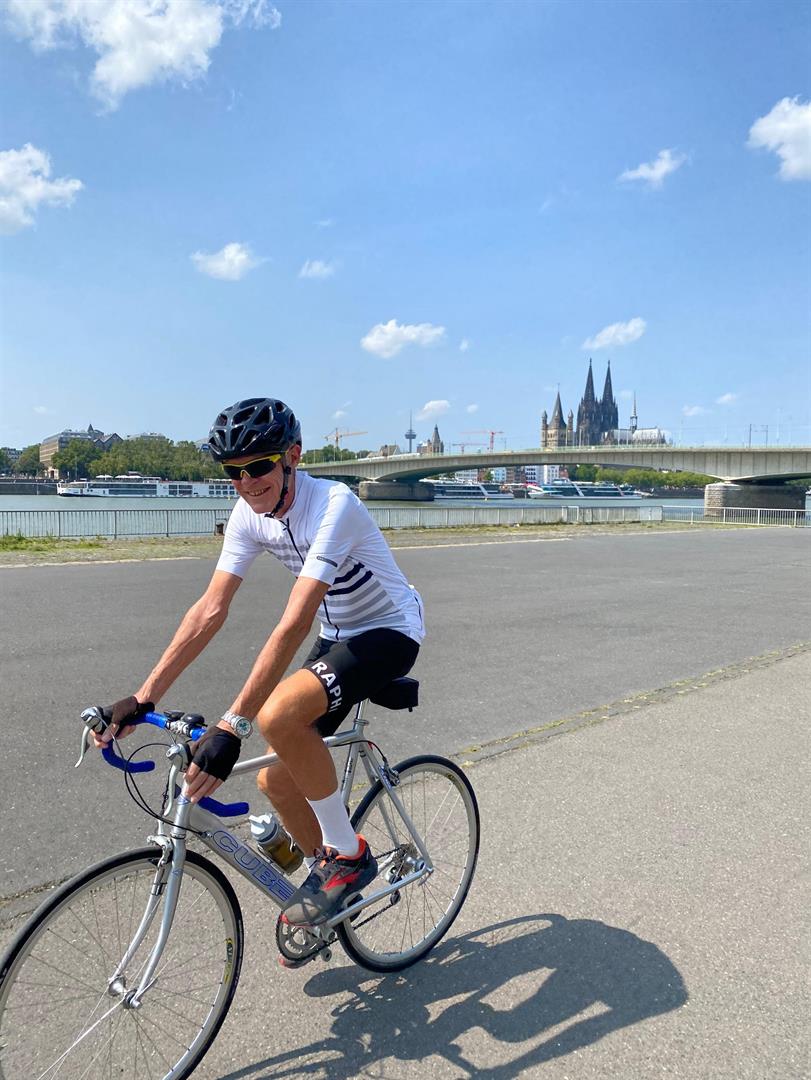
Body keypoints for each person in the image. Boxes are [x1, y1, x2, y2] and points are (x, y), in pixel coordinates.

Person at [88, 397, 424, 927]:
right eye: (233, 472)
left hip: (389, 629)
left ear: (292, 456)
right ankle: (331, 881)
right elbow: (210, 610)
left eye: (259, 466)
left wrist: (231, 726)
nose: (247, 482)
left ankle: (349, 855)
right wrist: (143, 697)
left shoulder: (334, 505)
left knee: (277, 715)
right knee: (276, 782)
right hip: (337, 634)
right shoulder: (248, 514)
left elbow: (293, 622)